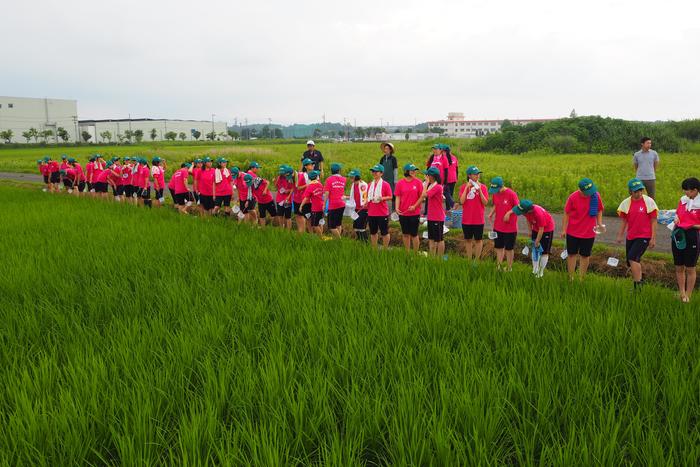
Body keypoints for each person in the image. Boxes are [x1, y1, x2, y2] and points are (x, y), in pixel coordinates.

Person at [616, 178, 658, 291]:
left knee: (632, 258)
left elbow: (654, 220)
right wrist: (620, 235)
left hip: (644, 236)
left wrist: (653, 238)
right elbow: (624, 221)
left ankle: (638, 286)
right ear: (630, 192)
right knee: (631, 262)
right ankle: (639, 280)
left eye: (640, 190)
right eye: (636, 191)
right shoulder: (626, 203)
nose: (639, 193)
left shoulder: (649, 202)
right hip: (631, 236)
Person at [561, 178, 605, 282]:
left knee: (585, 255)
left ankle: (581, 279)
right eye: (587, 192)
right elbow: (566, 213)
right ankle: (571, 277)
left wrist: (599, 223)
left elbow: (599, 210)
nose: (590, 194)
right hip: (573, 231)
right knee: (571, 254)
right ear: (580, 190)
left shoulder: (595, 196)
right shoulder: (572, 197)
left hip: (589, 232)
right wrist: (563, 229)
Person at [506, 199, 555, 278]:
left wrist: (537, 241)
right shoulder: (526, 212)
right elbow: (528, 220)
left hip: (547, 229)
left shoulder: (538, 214)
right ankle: (535, 269)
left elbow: (541, 229)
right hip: (535, 228)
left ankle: (540, 272)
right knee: (534, 249)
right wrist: (530, 232)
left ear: (528, 210)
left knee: (544, 251)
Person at [671, 177, 700, 303]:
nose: (685, 193)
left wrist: (692, 226)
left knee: (690, 267)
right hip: (679, 234)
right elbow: (678, 213)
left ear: (695, 190)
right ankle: (682, 293)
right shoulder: (683, 200)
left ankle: (688, 296)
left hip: (693, 235)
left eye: (687, 191)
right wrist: (676, 218)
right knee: (678, 266)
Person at [487, 176, 520, 271]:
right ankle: (499, 265)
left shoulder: (511, 194)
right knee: (499, 247)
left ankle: (509, 267)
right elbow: (496, 204)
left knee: (509, 248)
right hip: (498, 226)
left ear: (502, 186)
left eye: (497, 189)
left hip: (510, 227)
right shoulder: (495, 193)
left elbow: (518, 207)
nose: (495, 191)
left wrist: (509, 213)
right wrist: (491, 213)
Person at [458, 166, 489, 262]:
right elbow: (462, 201)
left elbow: (485, 203)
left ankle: (476, 259)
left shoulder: (483, 187)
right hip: (467, 219)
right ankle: (469, 258)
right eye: (475, 174)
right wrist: (467, 187)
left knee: (478, 240)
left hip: (478, 219)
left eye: (478, 174)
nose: (477, 176)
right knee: (468, 240)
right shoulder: (463, 187)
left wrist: (479, 191)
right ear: (469, 175)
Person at [412, 167, 445, 257]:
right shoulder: (432, 186)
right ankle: (432, 256)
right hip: (431, 216)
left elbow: (424, 195)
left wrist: (426, 183)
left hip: (437, 217)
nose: (425, 176)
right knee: (431, 238)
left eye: (427, 175)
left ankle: (439, 258)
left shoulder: (437, 187)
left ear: (432, 176)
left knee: (439, 239)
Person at [394, 163, 422, 252]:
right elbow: (398, 196)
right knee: (405, 234)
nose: (414, 172)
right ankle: (407, 252)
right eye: (412, 170)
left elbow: (422, 197)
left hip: (414, 213)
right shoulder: (400, 183)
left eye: (415, 170)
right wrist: (397, 207)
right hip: (403, 213)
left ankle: (415, 253)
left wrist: (415, 206)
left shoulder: (418, 182)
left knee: (414, 234)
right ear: (407, 171)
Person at [367, 164, 393, 249]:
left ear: (381, 173)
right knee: (373, 232)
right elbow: (367, 197)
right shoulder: (370, 184)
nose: (374, 173)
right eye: (373, 171)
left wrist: (382, 198)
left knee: (384, 232)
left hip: (382, 212)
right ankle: (374, 248)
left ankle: (385, 249)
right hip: (371, 212)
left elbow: (390, 196)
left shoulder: (385, 184)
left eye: (376, 171)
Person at [324, 163, 347, 238]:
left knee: (332, 226)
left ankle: (339, 240)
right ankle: (337, 240)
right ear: (339, 171)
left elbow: (327, 193)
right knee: (338, 224)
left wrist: (324, 204)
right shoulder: (344, 179)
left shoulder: (329, 179)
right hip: (342, 204)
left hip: (333, 205)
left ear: (331, 171)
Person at [299, 170, 324, 236]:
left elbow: (306, 198)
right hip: (322, 206)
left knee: (314, 224)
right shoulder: (320, 184)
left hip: (315, 208)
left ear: (309, 178)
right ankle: (321, 235)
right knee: (320, 222)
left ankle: (321, 237)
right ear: (316, 177)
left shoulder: (309, 187)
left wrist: (301, 205)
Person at [293, 158, 315, 233]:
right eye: (310, 164)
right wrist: (307, 185)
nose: (312, 165)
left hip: (312, 200)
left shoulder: (315, 174)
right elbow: (298, 187)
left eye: (312, 164)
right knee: (303, 217)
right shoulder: (302, 175)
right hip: (304, 200)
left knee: (310, 219)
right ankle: (302, 232)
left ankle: (311, 234)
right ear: (305, 166)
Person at [348, 169, 369, 242]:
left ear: (356, 177)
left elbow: (364, 197)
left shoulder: (363, 185)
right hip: (356, 208)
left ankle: (365, 241)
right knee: (356, 226)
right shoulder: (354, 184)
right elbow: (354, 196)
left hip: (363, 208)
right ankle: (359, 239)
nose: (350, 178)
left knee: (361, 226)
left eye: (352, 177)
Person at [274, 165, 295, 229]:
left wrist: (288, 192)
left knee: (288, 216)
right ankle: (281, 228)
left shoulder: (290, 178)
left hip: (287, 199)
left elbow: (293, 188)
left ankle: (288, 231)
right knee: (280, 215)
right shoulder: (279, 177)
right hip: (279, 199)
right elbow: (276, 186)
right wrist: (275, 181)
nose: (282, 175)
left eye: (283, 173)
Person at [379, 142, 398, 209]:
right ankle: (383, 207)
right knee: (383, 193)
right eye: (385, 149)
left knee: (393, 193)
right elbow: (380, 169)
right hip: (384, 178)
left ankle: (394, 208)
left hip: (391, 179)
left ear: (390, 150)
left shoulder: (393, 159)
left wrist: (395, 180)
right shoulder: (382, 158)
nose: (386, 150)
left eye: (387, 149)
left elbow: (395, 169)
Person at [444, 145, 459, 211]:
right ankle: (449, 207)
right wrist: (457, 177)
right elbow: (457, 169)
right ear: (450, 151)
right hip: (454, 177)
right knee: (450, 193)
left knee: (446, 193)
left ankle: (448, 207)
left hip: (446, 178)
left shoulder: (444, 158)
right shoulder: (454, 158)